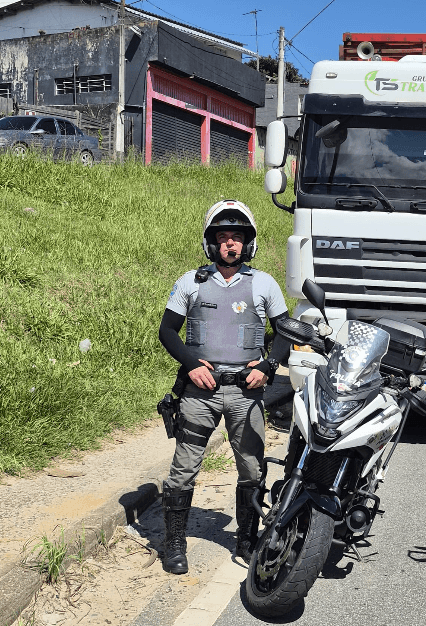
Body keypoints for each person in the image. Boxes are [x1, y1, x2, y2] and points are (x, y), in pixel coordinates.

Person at [157, 199, 290, 574]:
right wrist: (189, 365)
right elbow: (167, 331)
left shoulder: (264, 283)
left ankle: (247, 541)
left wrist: (269, 365)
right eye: (223, 237)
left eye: (236, 237)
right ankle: (175, 544)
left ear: (248, 243)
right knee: (183, 468)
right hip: (200, 392)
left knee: (251, 469)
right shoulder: (190, 282)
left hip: (245, 395)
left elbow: (283, 331)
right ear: (211, 242)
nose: (230, 244)